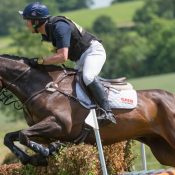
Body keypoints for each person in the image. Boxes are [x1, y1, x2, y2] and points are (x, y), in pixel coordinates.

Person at [19, 2, 116, 124]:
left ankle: (108, 112)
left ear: (36, 21)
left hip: (93, 52)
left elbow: (62, 57)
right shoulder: (45, 37)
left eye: (27, 20)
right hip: (79, 59)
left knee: (88, 76)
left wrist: (40, 61)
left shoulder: (59, 26)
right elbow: (55, 59)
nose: (26, 24)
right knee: (73, 85)